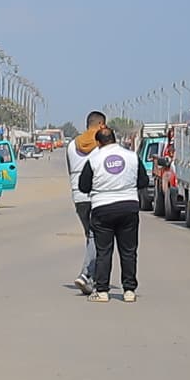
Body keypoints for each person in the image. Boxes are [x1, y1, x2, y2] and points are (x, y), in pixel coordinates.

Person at [78, 122, 141, 299]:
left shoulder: (94, 159)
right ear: (115, 140)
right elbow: (142, 181)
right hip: (129, 207)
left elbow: (83, 186)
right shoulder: (132, 157)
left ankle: (103, 291)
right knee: (128, 251)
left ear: (98, 143)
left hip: (102, 209)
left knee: (104, 251)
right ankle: (129, 290)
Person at [68, 120, 105, 291]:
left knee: (91, 236)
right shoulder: (100, 146)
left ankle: (93, 277)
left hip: (78, 196)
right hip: (95, 195)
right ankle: (86, 274)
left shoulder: (71, 146)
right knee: (95, 237)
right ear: (100, 124)